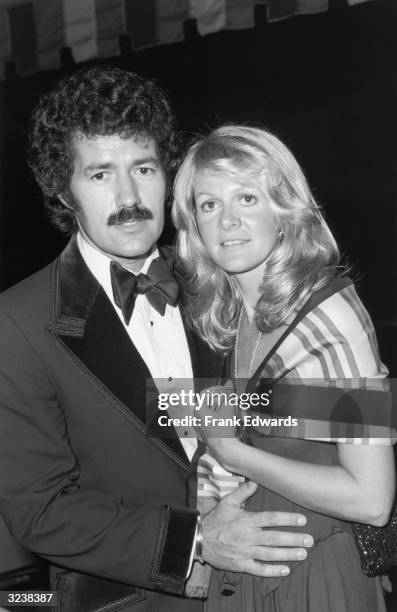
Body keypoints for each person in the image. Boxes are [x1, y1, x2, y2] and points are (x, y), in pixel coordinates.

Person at [0, 69, 314, 612]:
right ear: (61, 188)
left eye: (143, 168)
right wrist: (196, 544)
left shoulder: (219, 275)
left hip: (270, 587)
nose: (128, 196)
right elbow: (40, 510)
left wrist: (367, 421)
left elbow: (261, 410)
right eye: (100, 174)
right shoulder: (18, 322)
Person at [172, 124, 396, 611]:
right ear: (195, 228)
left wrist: (235, 454)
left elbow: (373, 500)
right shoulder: (232, 321)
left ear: (284, 211)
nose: (227, 220)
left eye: (247, 198)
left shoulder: (328, 315)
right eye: (209, 205)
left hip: (318, 575)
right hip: (250, 573)